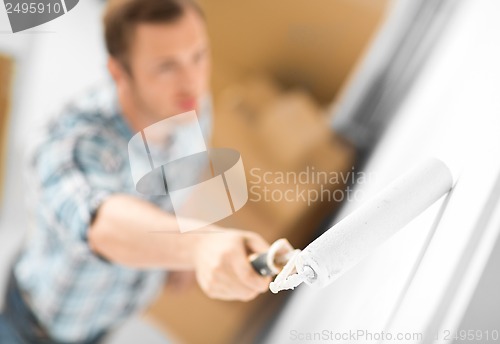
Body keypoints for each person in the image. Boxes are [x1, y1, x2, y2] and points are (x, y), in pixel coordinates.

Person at [0, 0, 271, 343]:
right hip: (34, 330)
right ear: (118, 72)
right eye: (166, 67)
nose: (193, 80)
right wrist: (197, 246)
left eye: (199, 55)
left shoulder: (191, 104)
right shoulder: (67, 142)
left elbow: (191, 167)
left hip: (108, 317)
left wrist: (185, 233)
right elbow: (100, 222)